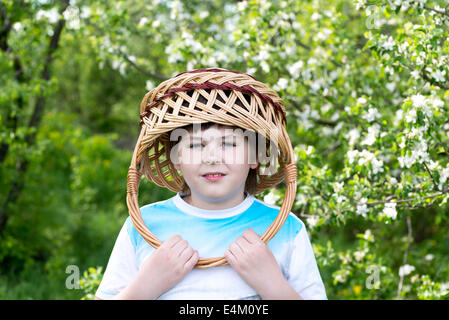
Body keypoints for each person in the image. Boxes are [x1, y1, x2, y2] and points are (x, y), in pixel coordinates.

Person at [95, 69, 327, 300]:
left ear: (255, 156)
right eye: (196, 145)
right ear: (176, 158)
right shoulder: (144, 226)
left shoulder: (286, 228)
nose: (212, 157)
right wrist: (145, 287)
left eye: (229, 144)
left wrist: (272, 285)